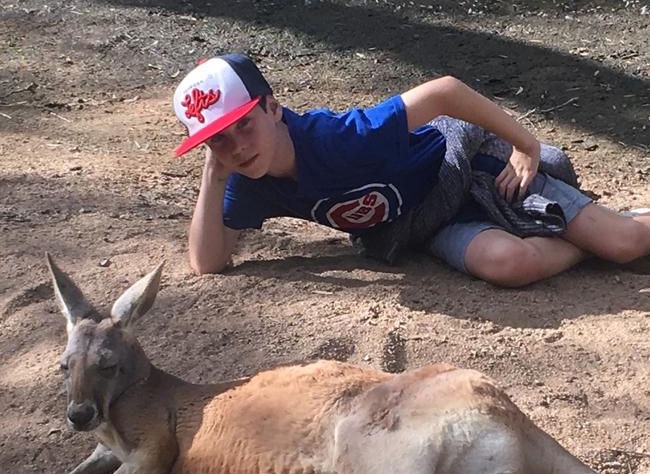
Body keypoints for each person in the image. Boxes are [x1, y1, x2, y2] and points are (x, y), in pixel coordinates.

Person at [172, 54, 650, 286]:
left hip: (468, 169)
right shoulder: (247, 178)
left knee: (626, 244)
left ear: (273, 108)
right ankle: (590, 237)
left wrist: (524, 145)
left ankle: (615, 225)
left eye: (243, 125)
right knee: (511, 264)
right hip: (426, 222)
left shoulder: (341, 137)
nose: (235, 146)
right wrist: (214, 174)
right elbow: (208, 262)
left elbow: (444, 91)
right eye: (217, 138)